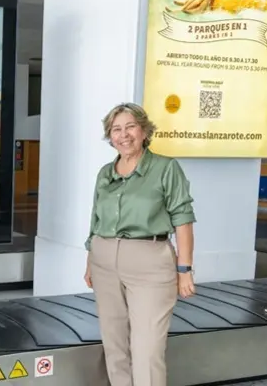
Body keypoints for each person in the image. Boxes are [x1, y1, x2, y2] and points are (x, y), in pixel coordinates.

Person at [83, 103, 196, 386]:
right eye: (116, 129)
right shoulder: (105, 173)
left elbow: (183, 219)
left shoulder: (166, 168)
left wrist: (185, 269)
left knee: (147, 350)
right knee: (114, 344)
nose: (124, 135)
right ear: (110, 136)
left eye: (130, 126)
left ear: (144, 130)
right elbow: (95, 220)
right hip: (103, 261)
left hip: (150, 262)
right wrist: (90, 263)